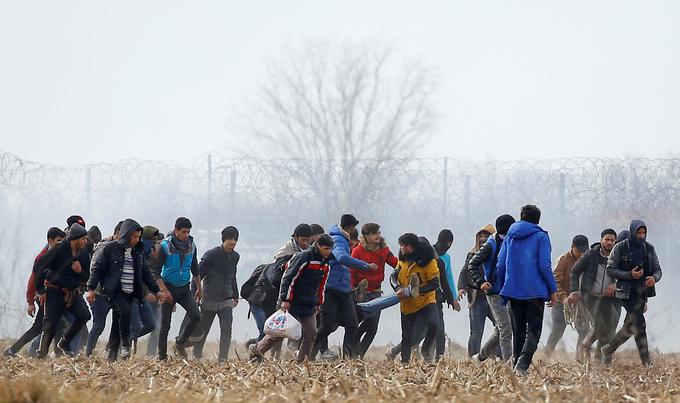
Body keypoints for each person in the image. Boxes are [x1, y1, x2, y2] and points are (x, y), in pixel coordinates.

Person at [86, 219, 164, 360]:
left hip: (132, 293)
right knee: (125, 312)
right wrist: (91, 289)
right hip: (115, 291)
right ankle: (125, 345)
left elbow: (146, 274)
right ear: (125, 235)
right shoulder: (110, 249)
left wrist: (157, 290)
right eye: (134, 236)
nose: (136, 239)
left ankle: (112, 354)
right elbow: (98, 269)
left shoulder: (138, 252)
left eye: (138, 237)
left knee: (117, 324)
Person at [249, 235, 334, 363]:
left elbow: (322, 285)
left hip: (309, 304)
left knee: (311, 333)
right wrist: (285, 299)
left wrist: (318, 303)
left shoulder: (326, 262)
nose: (328, 252)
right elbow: (288, 278)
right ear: (318, 246)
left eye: (330, 249)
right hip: (292, 302)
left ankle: (301, 362)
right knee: (278, 334)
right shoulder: (304, 257)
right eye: (326, 248)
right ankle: (256, 350)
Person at [496, 205, 557, 375]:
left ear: (521, 217)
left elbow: (500, 265)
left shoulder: (509, 237)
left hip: (513, 290)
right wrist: (553, 289)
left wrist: (503, 287)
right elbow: (545, 265)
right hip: (535, 291)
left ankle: (517, 365)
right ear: (538, 219)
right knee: (534, 332)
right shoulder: (541, 236)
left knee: (519, 331)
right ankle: (522, 365)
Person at [314, 214, 377, 359]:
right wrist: (365, 266)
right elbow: (341, 257)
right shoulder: (338, 239)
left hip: (343, 290)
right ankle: (309, 351)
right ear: (350, 227)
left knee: (352, 323)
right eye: (353, 227)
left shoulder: (342, 239)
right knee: (327, 326)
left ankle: (348, 358)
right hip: (331, 290)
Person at [601, 220, 662, 366]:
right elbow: (610, 269)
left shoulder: (649, 248)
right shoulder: (620, 247)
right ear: (633, 232)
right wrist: (630, 275)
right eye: (639, 233)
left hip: (642, 292)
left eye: (644, 233)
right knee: (640, 324)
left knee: (631, 326)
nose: (641, 236)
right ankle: (646, 363)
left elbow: (658, 270)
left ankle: (608, 349)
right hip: (625, 293)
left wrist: (654, 278)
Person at [3, 227, 65, 357]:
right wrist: (30, 302)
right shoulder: (42, 257)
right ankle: (15, 351)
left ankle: (51, 353)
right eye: (58, 241)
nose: (60, 244)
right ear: (50, 240)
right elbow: (33, 280)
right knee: (41, 326)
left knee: (56, 324)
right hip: (43, 297)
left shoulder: (59, 256)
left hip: (53, 297)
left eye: (62, 241)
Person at [34, 223, 92, 358]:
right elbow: (40, 265)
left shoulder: (84, 254)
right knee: (51, 324)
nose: (85, 241)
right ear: (75, 239)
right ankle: (41, 354)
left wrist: (79, 271)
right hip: (54, 291)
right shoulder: (59, 249)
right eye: (83, 239)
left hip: (72, 293)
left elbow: (86, 277)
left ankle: (65, 342)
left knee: (84, 315)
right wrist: (40, 289)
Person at [468, 214, 516, 364]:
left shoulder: (510, 241)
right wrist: (481, 282)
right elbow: (472, 265)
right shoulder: (490, 245)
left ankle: (479, 357)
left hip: (507, 291)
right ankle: (509, 365)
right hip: (494, 292)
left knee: (500, 329)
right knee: (506, 330)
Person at [154, 217, 203, 360]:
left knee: (196, 315)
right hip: (168, 288)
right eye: (183, 232)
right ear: (176, 230)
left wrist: (200, 287)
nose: (186, 235)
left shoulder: (192, 245)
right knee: (165, 325)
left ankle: (179, 343)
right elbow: (156, 272)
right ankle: (162, 356)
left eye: (188, 232)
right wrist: (164, 290)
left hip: (184, 289)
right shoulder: (164, 247)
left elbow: (195, 268)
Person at [568, 229, 620, 362]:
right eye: (606, 239)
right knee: (601, 326)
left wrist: (616, 285)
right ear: (601, 240)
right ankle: (584, 346)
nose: (609, 242)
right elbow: (574, 272)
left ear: (615, 242)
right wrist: (574, 291)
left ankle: (602, 360)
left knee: (610, 327)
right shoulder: (590, 254)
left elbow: (624, 276)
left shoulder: (618, 256)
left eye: (612, 240)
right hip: (590, 296)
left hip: (607, 298)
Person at [349, 223, 399, 358]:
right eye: (374, 233)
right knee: (357, 322)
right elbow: (351, 271)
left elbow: (396, 263)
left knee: (372, 327)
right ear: (366, 236)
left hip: (376, 292)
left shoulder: (384, 250)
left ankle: (359, 355)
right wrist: (353, 291)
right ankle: (351, 353)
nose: (378, 236)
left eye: (378, 232)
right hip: (360, 292)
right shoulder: (357, 251)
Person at [192, 226, 240, 362]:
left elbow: (233, 276)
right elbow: (197, 274)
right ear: (224, 239)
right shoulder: (211, 254)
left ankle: (223, 358)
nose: (233, 242)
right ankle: (197, 353)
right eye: (230, 239)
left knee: (226, 329)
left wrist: (235, 295)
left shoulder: (236, 256)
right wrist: (194, 293)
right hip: (209, 297)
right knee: (204, 329)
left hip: (227, 298)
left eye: (235, 239)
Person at [392, 233, 440, 364]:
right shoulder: (402, 260)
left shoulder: (429, 262)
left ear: (412, 247)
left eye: (404, 246)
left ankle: (426, 350)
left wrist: (417, 291)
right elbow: (393, 277)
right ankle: (405, 363)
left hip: (426, 300)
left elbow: (435, 284)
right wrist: (397, 289)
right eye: (401, 245)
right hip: (407, 303)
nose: (401, 248)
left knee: (434, 324)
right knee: (406, 336)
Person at [544, 235, 590, 358]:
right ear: (572, 248)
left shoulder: (588, 260)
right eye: (578, 251)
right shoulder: (563, 260)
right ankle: (546, 357)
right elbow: (556, 282)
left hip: (580, 303)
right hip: (561, 303)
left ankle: (580, 358)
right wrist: (564, 298)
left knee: (585, 330)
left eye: (583, 251)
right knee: (557, 331)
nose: (581, 254)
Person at [457, 224, 496, 357]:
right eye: (481, 236)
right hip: (476, 299)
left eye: (486, 236)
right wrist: (461, 288)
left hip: (494, 298)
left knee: (501, 328)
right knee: (476, 331)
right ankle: (473, 357)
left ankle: (499, 356)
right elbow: (464, 272)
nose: (483, 239)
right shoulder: (472, 254)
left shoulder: (498, 253)